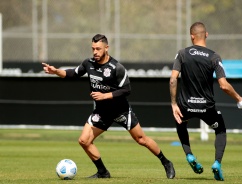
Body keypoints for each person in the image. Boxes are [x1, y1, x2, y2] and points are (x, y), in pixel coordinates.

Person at [42, 34, 175, 179]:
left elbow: (127, 89)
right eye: (93, 48)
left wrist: (105, 96)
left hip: (121, 111)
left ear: (106, 48)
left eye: (98, 49)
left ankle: (166, 162)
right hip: (102, 112)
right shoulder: (89, 63)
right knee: (84, 141)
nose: (95, 52)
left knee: (141, 139)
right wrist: (56, 71)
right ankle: (103, 172)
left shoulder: (117, 68)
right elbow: (72, 73)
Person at [169, 22, 242, 181]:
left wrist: (173, 104)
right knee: (220, 130)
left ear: (191, 36)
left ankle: (189, 155)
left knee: (180, 122)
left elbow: (173, 80)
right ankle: (217, 163)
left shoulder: (182, 53)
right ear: (206, 35)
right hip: (206, 107)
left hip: (186, 106)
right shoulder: (214, 56)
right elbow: (224, 86)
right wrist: (239, 99)